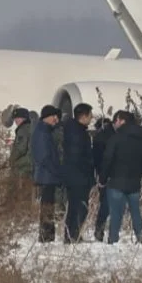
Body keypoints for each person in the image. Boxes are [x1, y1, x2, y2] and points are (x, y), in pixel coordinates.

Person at [100, 110, 142, 244]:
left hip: (116, 180)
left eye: (116, 120)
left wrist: (103, 179)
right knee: (136, 212)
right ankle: (140, 238)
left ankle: (113, 239)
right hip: (134, 180)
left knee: (116, 213)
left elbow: (107, 159)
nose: (114, 124)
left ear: (121, 121)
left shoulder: (116, 138)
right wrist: (139, 171)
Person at [60, 103, 95, 243]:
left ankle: (72, 235)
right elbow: (78, 156)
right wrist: (86, 171)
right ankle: (72, 235)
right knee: (78, 207)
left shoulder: (74, 130)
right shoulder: (77, 133)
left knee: (76, 207)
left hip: (74, 176)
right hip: (78, 177)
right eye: (90, 115)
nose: (91, 118)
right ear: (84, 116)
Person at [31, 105, 63, 243]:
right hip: (47, 175)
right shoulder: (42, 133)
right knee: (47, 205)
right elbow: (44, 157)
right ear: (46, 117)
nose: (56, 119)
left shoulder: (45, 131)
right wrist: (57, 171)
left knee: (48, 205)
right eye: (53, 116)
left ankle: (48, 234)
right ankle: (46, 235)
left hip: (48, 175)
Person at [91, 115, 115, 242]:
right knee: (107, 205)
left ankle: (99, 230)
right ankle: (101, 230)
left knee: (104, 205)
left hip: (103, 175)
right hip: (109, 175)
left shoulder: (99, 137)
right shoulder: (111, 137)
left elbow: (96, 159)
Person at [7, 108, 33, 188]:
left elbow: (20, 149)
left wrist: (11, 161)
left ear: (23, 118)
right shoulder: (31, 128)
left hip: (22, 168)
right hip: (30, 167)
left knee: (17, 194)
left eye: (17, 118)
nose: (15, 120)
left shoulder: (23, 130)